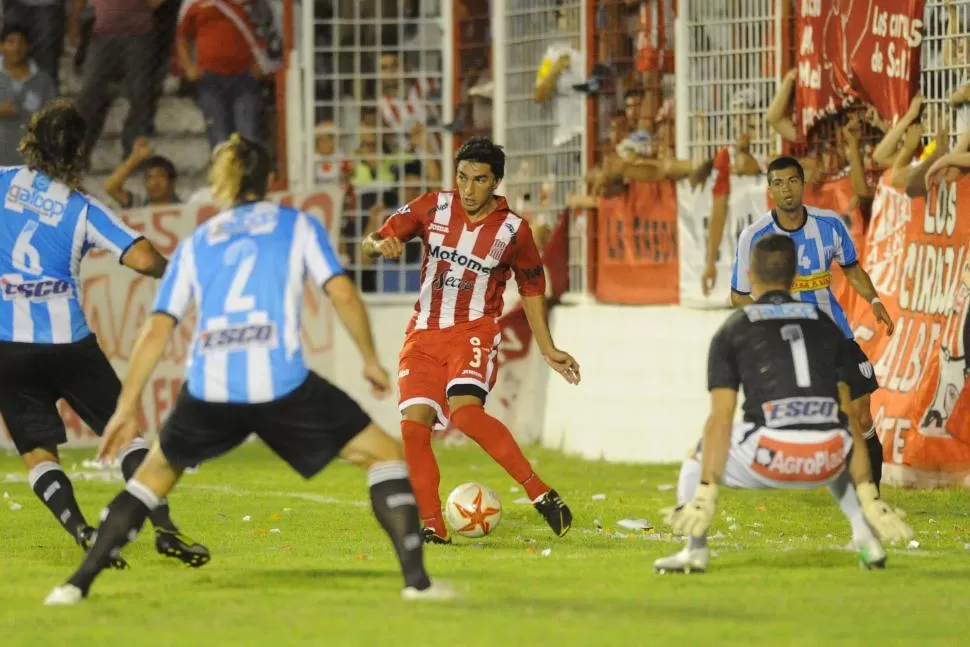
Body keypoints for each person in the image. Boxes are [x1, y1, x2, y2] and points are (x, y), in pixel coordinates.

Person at [44, 134, 453, 605]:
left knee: (151, 478)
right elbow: (340, 292)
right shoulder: (296, 225)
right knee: (384, 454)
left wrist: (126, 405)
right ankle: (417, 584)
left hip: (210, 390)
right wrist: (369, 359)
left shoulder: (198, 242)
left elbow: (158, 327)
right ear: (270, 179)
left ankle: (75, 585)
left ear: (223, 183)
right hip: (282, 385)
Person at [0, 100, 208, 570]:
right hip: (69, 345)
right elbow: (140, 257)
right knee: (129, 433)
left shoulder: (2, 182)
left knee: (37, 451)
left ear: (32, 142)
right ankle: (166, 530)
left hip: (7, 343)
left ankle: (80, 528)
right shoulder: (82, 209)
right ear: (80, 152)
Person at [362, 136, 581, 544]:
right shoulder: (432, 207)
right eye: (462, 177)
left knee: (465, 415)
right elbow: (369, 243)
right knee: (412, 428)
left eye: (479, 180)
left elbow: (533, 287)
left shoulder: (514, 230)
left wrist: (548, 347)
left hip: (473, 331)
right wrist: (381, 246)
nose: (468, 188)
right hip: (424, 334)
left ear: (496, 181)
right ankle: (433, 525)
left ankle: (540, 492)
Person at [655, 234, 914, 573]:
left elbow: (721, 418)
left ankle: (695, 550)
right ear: (795, 278)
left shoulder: (733, 329)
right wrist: (869, 492)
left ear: (750, 275)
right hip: (824, 461)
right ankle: (866, 539)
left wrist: (705, 492)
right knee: (829, 435)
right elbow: (847, 415)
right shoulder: (827, 326)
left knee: (695, 456)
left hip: (769, 459)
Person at [730, 156, 894, 489]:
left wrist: (874, 299)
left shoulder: (830, 224)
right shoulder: (754, 236)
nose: (785, 189)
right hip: (789, 340)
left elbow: (851, 269)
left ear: (802, 184)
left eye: (791, 181)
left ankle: (872, 494)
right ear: (770, 189)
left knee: (862, 412)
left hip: (835, 333)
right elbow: (739, 295)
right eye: (777, 183)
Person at [0, 24, 57, 167]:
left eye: (22, 43)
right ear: (1, 46)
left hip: (27, 162)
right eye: (11, 42)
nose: (16, 48)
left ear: (29, 47)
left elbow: (52, 118)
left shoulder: (43, 81)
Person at [103, 137, 182, 209]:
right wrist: (135, 158)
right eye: (149, 178)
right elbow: (110, 187)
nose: (154, 183)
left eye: (160, 176)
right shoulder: (138, 205)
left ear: (172, 182)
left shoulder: (185, 209)